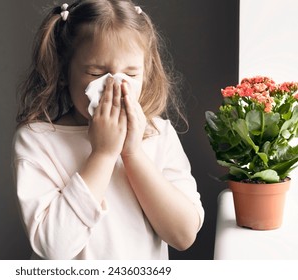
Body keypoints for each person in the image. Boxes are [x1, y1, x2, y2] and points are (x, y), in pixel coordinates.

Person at [12, 0, 204, 260]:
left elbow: (183, 236)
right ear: (63, 72)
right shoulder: (37, 141)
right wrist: (102, 154)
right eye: (95, 73)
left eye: (131, 74)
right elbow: (53, 248)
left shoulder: (159, 134)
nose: (115, 85)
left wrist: (132, 153)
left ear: (146, 74)